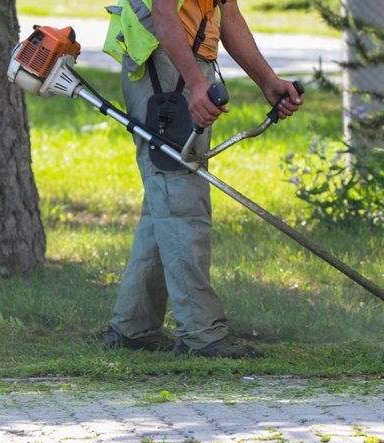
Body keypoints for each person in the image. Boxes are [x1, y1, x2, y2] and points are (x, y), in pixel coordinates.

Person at [102, 0, 303, 358]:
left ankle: (134, 328)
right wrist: (196, 85)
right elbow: (164, 13)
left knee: (166, 196)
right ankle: (202, 334)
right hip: (164, 62)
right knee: (182, 198)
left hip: (184, 62)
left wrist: (268, 82)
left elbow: (229, 16)